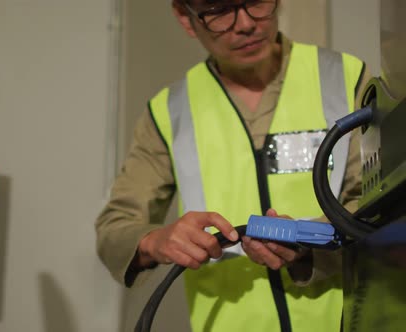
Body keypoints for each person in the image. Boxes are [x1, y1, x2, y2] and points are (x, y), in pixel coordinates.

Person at [96, 0, 371, 331]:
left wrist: (306, 244)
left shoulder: (346, 78)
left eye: (255, 2)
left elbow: (382, 205)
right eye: (219, 10)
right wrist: (156, 240)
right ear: (185, 17)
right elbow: (114, 230)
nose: (245, 24)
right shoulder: (169, 113)